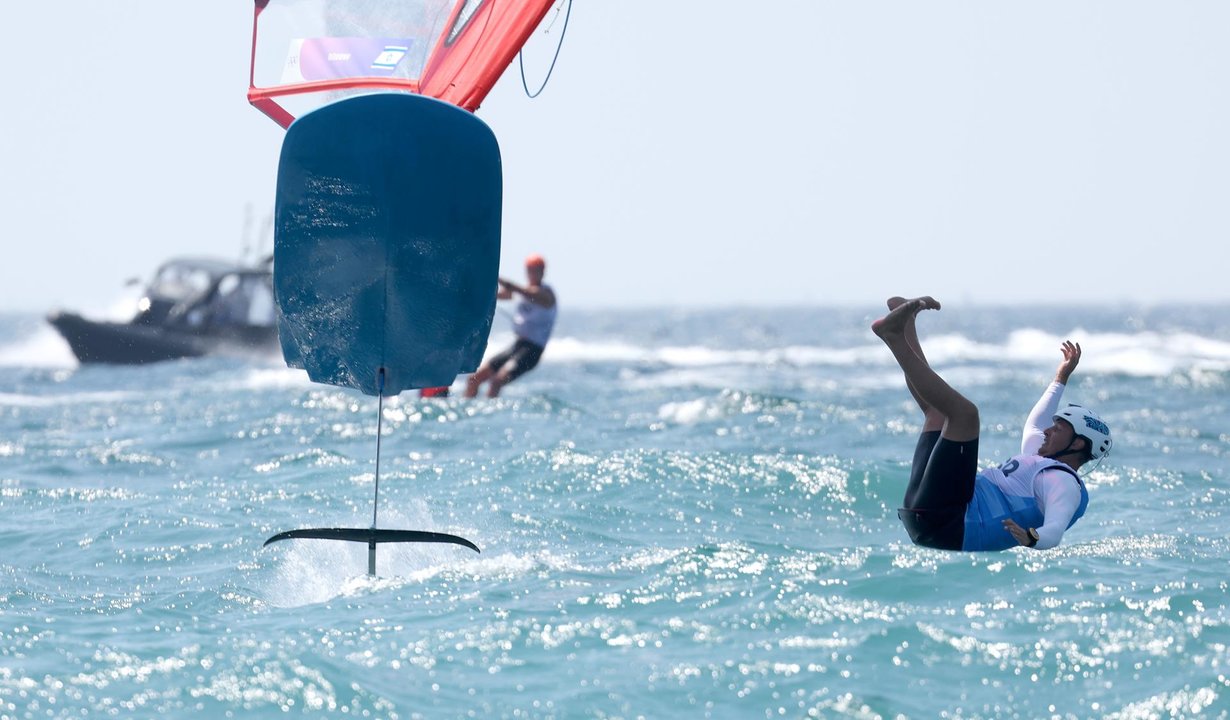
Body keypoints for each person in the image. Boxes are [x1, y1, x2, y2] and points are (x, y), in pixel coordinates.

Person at [872, 296, 1112, 551]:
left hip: (952, 521)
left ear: (1077, 444)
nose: (1048, 430)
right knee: (938, 415)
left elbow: (1055, 527)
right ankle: (906, 327)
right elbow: (1036, 421)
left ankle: (894, 336)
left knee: (965, 415)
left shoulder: (1063, 483)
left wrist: (1033, 538)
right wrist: (1061, 377)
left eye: (1059, 428)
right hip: (923, 513)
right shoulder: (1038, 458)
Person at [464, 254, 558, 398]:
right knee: (474, 379)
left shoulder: (546, 294)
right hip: (517, 345)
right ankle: (467, 413)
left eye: (536, 270)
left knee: (497, 381)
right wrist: (477, 294)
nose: (532, 273)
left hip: (532, 350)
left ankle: (488, 415)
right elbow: (506, 294)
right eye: (530, 270)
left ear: (542, 272)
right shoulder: (525, 290)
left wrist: (493, 276)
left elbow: (525, 293)